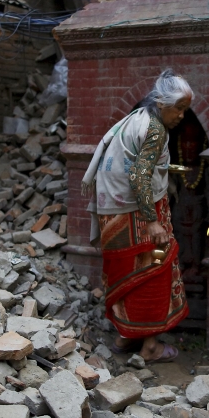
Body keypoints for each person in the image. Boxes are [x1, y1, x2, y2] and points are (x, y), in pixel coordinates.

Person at [81, 69, 193, 363]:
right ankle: (151, 347)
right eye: (178, 108)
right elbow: (140, 177)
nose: (181, 115)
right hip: (137, 214)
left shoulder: (135, 119)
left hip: (112, 213)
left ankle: (123, 337)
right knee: (154, 272)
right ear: (160, 101)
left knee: (128, 274)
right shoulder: (154, 129)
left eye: (185, 110)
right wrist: (153, 221)